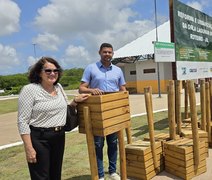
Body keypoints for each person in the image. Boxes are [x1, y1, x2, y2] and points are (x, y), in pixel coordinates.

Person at [17, 57, 89, 180]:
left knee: (56, 174)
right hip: (40, 138)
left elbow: (64, 108)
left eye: (55, 71)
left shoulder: (58, 87)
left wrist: (74, 102)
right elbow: (22, 121)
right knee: (42, 176)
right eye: (48, 71)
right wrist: (29, 148)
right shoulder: (30, 90)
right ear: (39, 72)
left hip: (58, 136)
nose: (52, 74)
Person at [79, 43, 126, 180]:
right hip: (97, 113)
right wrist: (91, 90)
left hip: (113, 111)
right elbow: (81, 88)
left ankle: (112, 171)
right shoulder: (91, 68)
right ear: (99, 52)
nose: (107, 54)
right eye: (105, 52)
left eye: (110, 52)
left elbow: (123, 89)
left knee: (113, 143)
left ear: (113, 54)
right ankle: (100, 176)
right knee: (98, 144)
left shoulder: (118, 70)